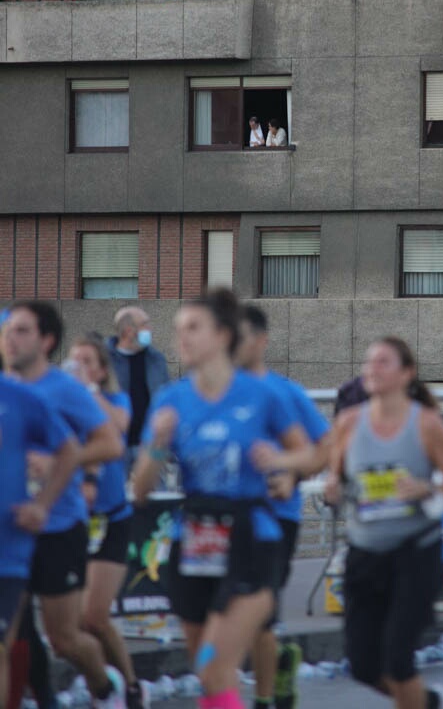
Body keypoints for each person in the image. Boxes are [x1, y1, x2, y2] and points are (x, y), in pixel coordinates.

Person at [133, 289, 313, 709]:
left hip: (252, 538)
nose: (182, 338)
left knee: (215, 665)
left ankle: (268, 693)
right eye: (178, 329)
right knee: (209, 675)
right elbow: (140, 491)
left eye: (193, 327)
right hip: (194, 537)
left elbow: (307, 451)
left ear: (222, 335)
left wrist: (282, 461)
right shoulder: (171, 399)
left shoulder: (261, 394)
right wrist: (157, 444)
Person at [325, 336, 443, 709]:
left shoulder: (426, 424)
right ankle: (424, 701)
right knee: (363, 666)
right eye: (369, 362)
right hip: (364, 554)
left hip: (414, 554)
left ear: (407, 373)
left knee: (398, 659)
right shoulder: (348, 422)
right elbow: (335, 481)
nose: (372, 369)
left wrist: (426, 487)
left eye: (383, 362)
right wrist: (335, 489)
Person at [3, 302, 125, 709]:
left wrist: (57, 463)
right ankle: (43, 697)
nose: (9, 338)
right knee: (11, 633)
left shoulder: (64, 389)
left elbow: (110, 444)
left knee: (65, 639)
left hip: (59, 524)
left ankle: (106, 687)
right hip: (12, 528)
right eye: (8, 329)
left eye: (21, 330)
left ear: (46, 340)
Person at [236, 305, 331, 709]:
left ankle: (263, 698)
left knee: (260, 612)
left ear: (261, 340)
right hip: (222, 520)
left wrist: (292, 475)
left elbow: (324, 447)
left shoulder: (285, 392)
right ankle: (280, 660)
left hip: (278, 516)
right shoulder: (211, 392)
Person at [68, 334, 147, 709]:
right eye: (74, 360)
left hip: (111, 517)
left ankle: (130, 684)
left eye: (87, 361)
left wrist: (90, 392)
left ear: (101, 369)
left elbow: (119, 426)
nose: (79, 367)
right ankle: (103, 682)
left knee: (96, 616)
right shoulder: (60, 404)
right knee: (74, 625)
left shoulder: (114, 400)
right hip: (72, 521)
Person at [0, 373, 78, 709]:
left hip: (14, 544)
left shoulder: (21, 397)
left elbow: (72, 449)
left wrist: (42, 504)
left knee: (57, 637)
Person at [107, 306, 170, 455]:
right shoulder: (104, 359)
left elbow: (165, 398)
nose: (150, 329)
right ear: (129, 331)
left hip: (150, 446)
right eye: (145, 324)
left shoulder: (156, 360)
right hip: (114, 446)